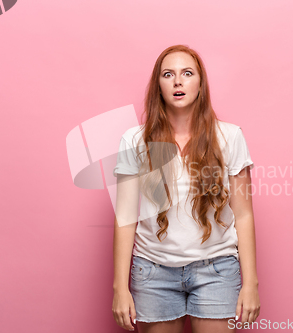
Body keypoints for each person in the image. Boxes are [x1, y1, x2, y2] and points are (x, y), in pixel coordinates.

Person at [112, 44, 260, 333]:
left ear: (200, 84)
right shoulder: (133, 140)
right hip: (152, 272)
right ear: (158, 85)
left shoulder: (230, 136)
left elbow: (243, 214)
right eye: (168, 74)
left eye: (187, 73)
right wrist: (120, 287)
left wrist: (251, 282)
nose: (178, 81)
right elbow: (125, 217)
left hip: (216, 270)